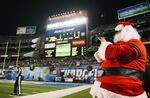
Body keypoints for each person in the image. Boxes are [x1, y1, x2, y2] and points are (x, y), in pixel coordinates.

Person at [90, 22, 148, 98]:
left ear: (127, 32)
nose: (116, 34)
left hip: (120, 90)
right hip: (105, 88)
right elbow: (113, 65)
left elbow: (124, 54)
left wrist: (105, 45)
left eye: (119, 31)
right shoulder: (119, 46)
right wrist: (102, 61)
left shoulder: (136, 43)